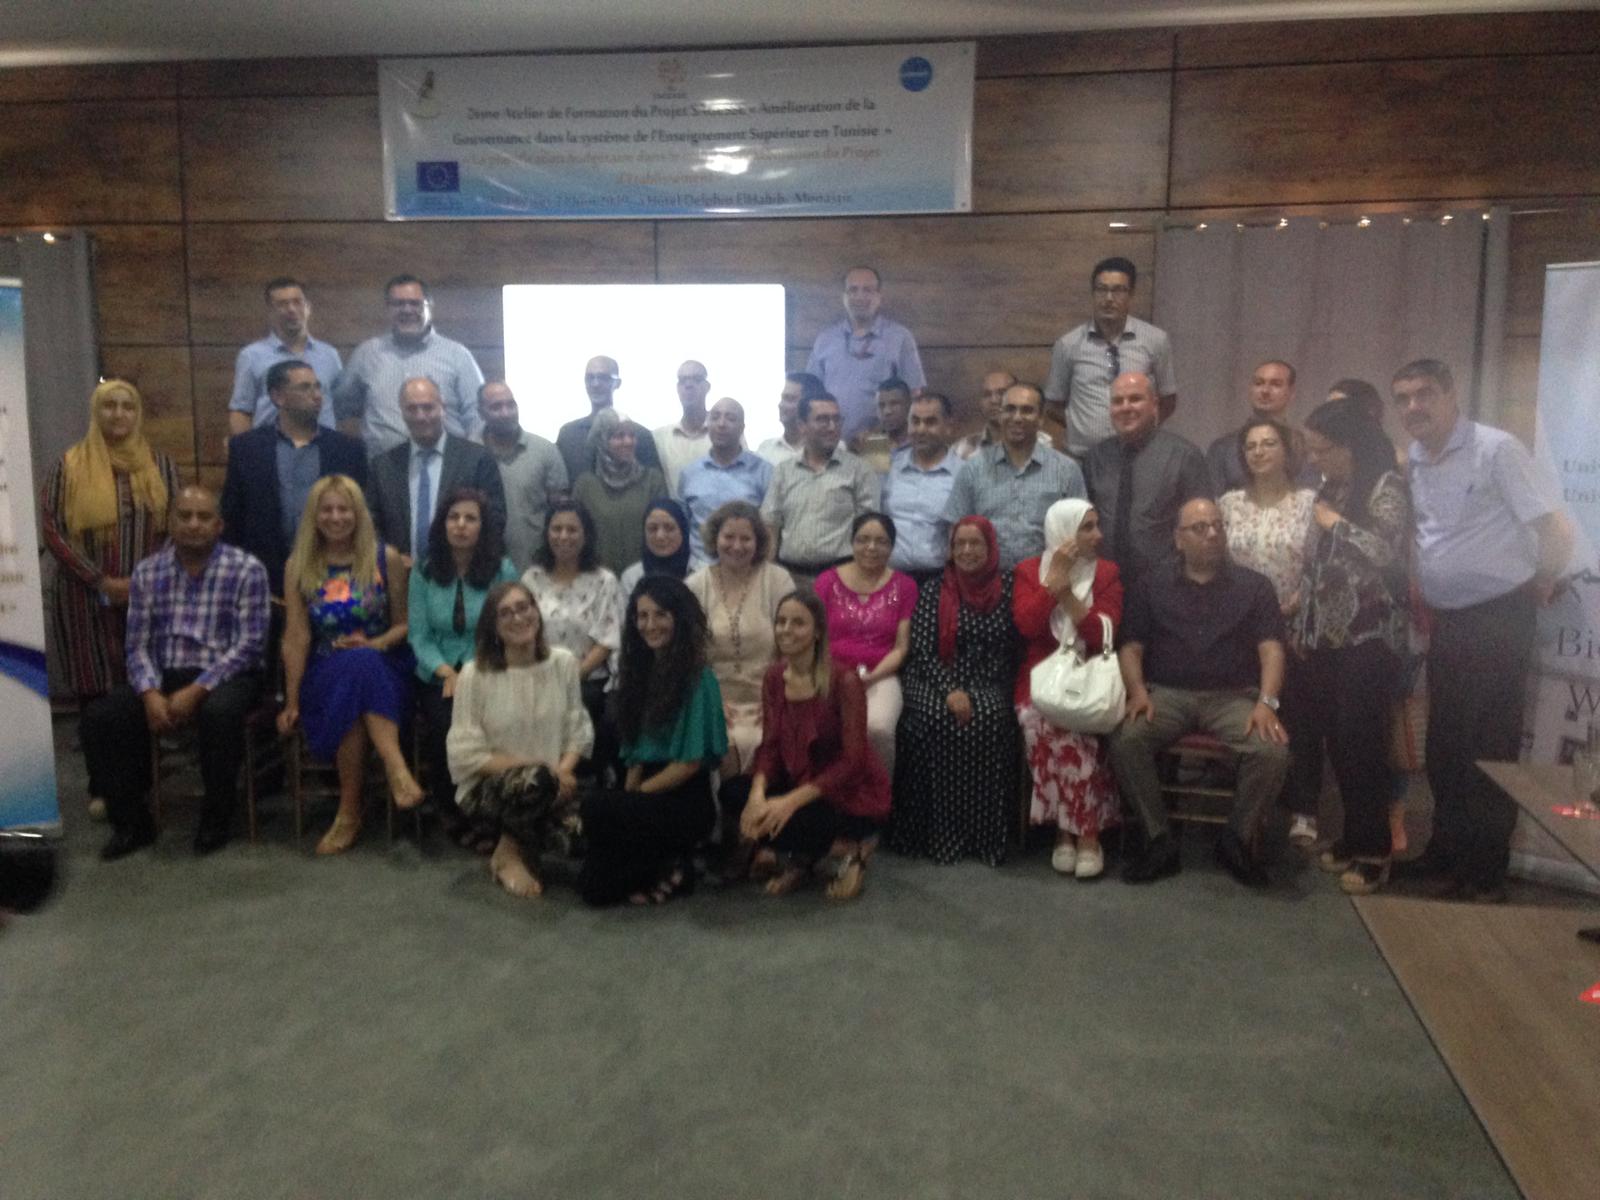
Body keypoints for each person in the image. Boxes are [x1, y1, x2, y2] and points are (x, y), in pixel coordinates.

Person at [1395, 358, 1572, 902]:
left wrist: (1542, 578)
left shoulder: (1497, 450)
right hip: (1448, 622)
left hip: (1498, 620)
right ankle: (1446, 852)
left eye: (1425, 393)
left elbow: (1554, 529)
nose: (1414, 407)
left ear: (1452, 395)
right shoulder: (1416, 458)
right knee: (1446, 745)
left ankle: (1485, 872)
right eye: (1403, 398)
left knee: (1487, 748)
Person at [1108, 497, 1291, 887]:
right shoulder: (1151, 584)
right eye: (1200, 528)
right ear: (1178, 539)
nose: (1212, 534)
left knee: (1272, 752)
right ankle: (1159, 839)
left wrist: (1267, 702)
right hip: (1167, 694)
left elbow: (1272, 650)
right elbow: (1131, 647)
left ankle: (1236, 839)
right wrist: (1137, 691)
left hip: (1233, 698)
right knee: (1127, 738)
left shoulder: (1255, 587)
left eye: (1218, 526)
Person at [81, 486, 269, 859]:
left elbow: (249, 645)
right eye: (185, 516)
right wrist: (150, 693)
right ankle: (132, 823)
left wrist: (198, 689)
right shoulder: (148, 572)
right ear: (171, 522)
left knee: (219, 714)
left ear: (219, 525)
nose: (193, 524)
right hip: (165, 673)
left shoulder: (247, 569)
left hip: (229, 674)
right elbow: (137, 645)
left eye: (203, 517)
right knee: (101, 717)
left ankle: (216, 818)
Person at [40, 379, 181, 818]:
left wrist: (140, 582)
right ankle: (101, 784)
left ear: (137, 414)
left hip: (145, 597)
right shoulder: (69, 465)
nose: (118, 414)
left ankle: (141, 782)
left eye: (127, 407)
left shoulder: (159, 465)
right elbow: (52, 529)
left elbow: (175, 528)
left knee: (139, 687)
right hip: (83, 598)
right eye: (109, 406)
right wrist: (101, 581)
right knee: (95, 692)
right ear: (96, 413)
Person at [1291, 398, 1411, 895]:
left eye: (1322, 450)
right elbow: (1316, 566)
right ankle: (1353, 836)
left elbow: (1387, 552)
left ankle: (1375, 851)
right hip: (1326, 637)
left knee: (1363, 742)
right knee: (1339, 742)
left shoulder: (1387, 486)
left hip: (1369, 637)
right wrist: (1303, 627)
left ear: (1350, 446)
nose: (1314, 459)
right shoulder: (1332, 486)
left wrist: (1334, 524)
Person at [277, 474, 422, 855]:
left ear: (358, 514)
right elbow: (296, 636)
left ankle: (349, 811)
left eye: (344, 509)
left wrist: (373, 644)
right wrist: (291, 700)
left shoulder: (385, 558)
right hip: (324, 668)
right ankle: (396, 769)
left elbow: (404, 624)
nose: (336, 517)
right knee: (354, 676)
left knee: (361, 665)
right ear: (314, 516)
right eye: (327, 510)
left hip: (385, 663)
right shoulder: (298, 565)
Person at [578, 577, 728, 906]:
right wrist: (629, 799)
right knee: (592, 885)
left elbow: (688, 765)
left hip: (684, 797)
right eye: (642, 616)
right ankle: (668, 866)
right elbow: (635, 755)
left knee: (597, 810)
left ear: (679, 618)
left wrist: (634, 799)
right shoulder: (640, 672)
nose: (650, 625)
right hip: (647, 789)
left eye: (661, 615)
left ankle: (671, 863)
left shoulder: (699, 677)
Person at [735, 592, 891, 900]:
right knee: (734, 794)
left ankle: (853, 850)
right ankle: (806, 856)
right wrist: (756, 795)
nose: (786, 630)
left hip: (846, 795)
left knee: (787, 817)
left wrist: (788, 802)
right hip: (800, 780)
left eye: (798, 623)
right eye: (781, 622)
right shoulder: (774, 677)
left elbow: (853, 762)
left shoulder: (844, 681)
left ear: (818, 631)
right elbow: (770, 745)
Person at [446, 581, 593, 898]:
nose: (518, 618)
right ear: (493, 626)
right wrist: (541, 770)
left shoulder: (564, 663)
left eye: (524, 608)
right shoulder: (474, 674)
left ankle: (526, 842)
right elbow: (465, 754)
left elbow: (577, 729)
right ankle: (508, 853)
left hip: (552, 781)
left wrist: (563, 771)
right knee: (535, 780)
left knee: (581, 839)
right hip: (493, 787)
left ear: (536, 613)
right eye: (505, 613)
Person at [891, 517, 1020, 866]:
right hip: (932, 677)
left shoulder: (1008, 587)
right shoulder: (936, 588)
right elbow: (922, 650)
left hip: (989, 680)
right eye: (959, 544)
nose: (966, 550)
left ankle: (981, 839)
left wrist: (973, 693)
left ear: (990, 547)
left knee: (987, 718)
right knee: (938, 718)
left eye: (975, 543)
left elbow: (1009, 649)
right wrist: (950, 690)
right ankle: (939, 837)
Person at [1217, 416, 1318, 843]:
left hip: (1293, 624)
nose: (1258, 452)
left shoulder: (1309, 503)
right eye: (1251, 446)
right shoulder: (1228, 504)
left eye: (1268, 443)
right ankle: (1247, 803)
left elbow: (1318, 566)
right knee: (1247, 715)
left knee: (1299, 717)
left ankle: (1303, 810)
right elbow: (1218, 565)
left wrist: (1292, 605)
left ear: (1286, 451)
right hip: (1238, 629)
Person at [1013, 500, 1124, 879]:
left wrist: (1066, 595)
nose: (1098, 535)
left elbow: (1102, 633)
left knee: (1080, 729)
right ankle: (1071, 831)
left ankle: (1082, 833)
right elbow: (1027, 625)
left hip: (1090, 674)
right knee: (1040, 724)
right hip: (1040, 677)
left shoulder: (1106, 573)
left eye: (1097, 525)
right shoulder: (1029, 570)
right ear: (1062, 532)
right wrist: (1054, 580)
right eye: (1087, 528)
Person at [407, 486, 518, 850]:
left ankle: (489, 809)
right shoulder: (424, 570)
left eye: (470, 518)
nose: (461, 525)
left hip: (488, 667)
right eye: (453, 517)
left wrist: (469, 674)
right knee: (445, 725)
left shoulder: (502, 569)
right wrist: (445, 672)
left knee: (490, 726)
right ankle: (451, 808)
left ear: (483, 526)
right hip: (437, 672)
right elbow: (419, 635)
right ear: (442, 524)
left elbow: (508, 629)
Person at [221, 359, 367, 597]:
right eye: (305, 387)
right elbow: (232, 516)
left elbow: (362, 516)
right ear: (278, 396)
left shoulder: (347, 450)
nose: (316, 395)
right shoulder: (247, 449)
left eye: (318, 387)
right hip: (264, 578)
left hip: (333, 577)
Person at [686, 502, 796, 782]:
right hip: (714, 701)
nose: (737, 546)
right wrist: (711, 704)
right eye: (729, 537)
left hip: (772, 699)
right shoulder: (696, 585)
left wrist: (775, 701)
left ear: (758, 542)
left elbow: (794, 647)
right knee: (723, 746)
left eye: (746, 538)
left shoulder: (777, 580)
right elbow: (688, 656)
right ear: (715, 538)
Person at [1083, 371, 1212, 595]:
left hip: (1168, 589)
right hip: (1105, 587)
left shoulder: (1184, 456)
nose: (1125, 407)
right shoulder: (1096, 458)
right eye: (1117, 401)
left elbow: (1202, 529)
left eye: (1135, 399)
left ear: (1154, 405)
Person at [520, 502, 624, 781]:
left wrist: (572, 675)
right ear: (547, 533)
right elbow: (521, 631)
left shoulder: (604, 580)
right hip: (537, 675)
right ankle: (536, 780)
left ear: (586, 534)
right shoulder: (532, 578)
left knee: (579, 708)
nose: (563, 536)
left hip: (588, 679)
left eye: (572, 529)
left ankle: (578, 781)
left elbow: (607, 639)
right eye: (556, 529)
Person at [332, 274, 485, 455]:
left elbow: (478, 414)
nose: (407, 310)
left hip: (447, 465)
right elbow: (341, 408)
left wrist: (470, 461)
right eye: (398, 304)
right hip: (383, 467)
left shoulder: (457, 355)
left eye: (415, 303)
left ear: (429, 307)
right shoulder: (366, 354)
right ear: (388, 308)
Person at [813, 513, 917, 777]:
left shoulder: (905, 586)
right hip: (829, 675)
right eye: (863, 539)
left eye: (881, 541)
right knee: (823, 726)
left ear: (892, 547)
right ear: (852, 542)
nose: (871, 547)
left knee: (877, 728)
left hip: (880, 676)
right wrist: (833, 675)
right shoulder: (826, 581)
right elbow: (814, 637)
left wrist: (872, 676)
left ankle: (877, 795)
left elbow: (901, 647)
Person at [1044, 256, 1178, 457]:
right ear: (1092, 293)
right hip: (1084, 457)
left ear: (1131, 295)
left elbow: (1167, 399)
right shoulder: (1068, 345)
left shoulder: (1155, 340)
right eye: (1101, 289)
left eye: (1118, 290)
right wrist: (1079, 427)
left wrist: (1144, 427)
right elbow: (1054, 404)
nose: (1108, 298)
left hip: (1139, 454)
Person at [365, 377, 506, 565]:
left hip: (463, 571)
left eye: (428, 407)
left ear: (442, 408)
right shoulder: (383, 466)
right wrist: (391, 558)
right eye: (412, 409)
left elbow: (494, 518)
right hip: (400, 572)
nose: (420, 416)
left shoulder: (476, 459)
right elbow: (371, 522)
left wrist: (463, 560)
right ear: (402, 412)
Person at [944, 383, 1086, 569]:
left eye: (1027, 410)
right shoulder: (973, 469)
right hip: (987, 579)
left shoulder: (1067, 470)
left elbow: (1079, 531)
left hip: (1046, 579)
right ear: (1000, 415)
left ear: (1041, 418)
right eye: (1010, 409)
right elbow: (955, 529)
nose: (1017, 417)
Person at [760, 393, 880, 585]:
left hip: (843, 577)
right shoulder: (784, 471)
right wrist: (766, 579)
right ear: (802, 425)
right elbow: (770, 526)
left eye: (836, 419)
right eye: (823, 420)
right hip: (790, 578)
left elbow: (869, 530)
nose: (832, 427)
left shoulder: (859, 470)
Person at [805, 266, 926, 441]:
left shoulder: (900, 338)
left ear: (879, 296)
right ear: (844, 297)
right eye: (853, 290)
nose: (860, 297)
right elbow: (811, 395)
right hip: (830, 443)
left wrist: (876, 433)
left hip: (881, 444)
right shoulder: (825, 339)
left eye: (867, 290)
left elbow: (914, 395)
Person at [227, 277, 342, 433]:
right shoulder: (252, 356)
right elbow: (241, 411)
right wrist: (245, 446)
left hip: (323, 445)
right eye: (282, 304)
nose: (291, 309)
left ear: (308, 307)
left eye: (297, 302)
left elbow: (341, 408)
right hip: (271, 444)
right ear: (270, 311)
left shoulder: (329, 355)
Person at [477, 381, 568, 573]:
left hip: (537, 567)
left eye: (511, 405)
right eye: (496, 407)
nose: (506, 412)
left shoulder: (545, 451)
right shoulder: (470, 453)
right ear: (481, 413)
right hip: (481, 567)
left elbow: (562, 512)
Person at [571, 408, 669, 575]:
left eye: (632, 435)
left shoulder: (652, 481)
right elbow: (577, 535)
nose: (628, 441)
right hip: (597, 578)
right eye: (619, 436)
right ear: (602, 440)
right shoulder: (585, 485)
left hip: (645, 576)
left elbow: (663, 532)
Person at [676, 397, 772, 567]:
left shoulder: (763, 471)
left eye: (730, 418)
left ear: (742, 427)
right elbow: (681, 526)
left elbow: (770, 527)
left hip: (748, 568)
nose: (721, 424)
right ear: (708, 424)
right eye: (715, 417)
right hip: (699, 568)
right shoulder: (690, 473)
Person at [882, 392, 962, 585]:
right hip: (890, 577)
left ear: (948, 425)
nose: (921, 429)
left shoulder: (963, 474)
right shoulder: (888, 468)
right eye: (915, 421)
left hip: (940, 580)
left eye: (930, 422)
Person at [555, 355, 662, 484]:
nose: (595, 384)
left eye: (603, 378)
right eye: (590, 378)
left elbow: (653, 486)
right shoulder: (568, 435)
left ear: (617, 383)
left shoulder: (639, 435)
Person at [1206, 360, 1306, 494]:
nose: (1265, 391)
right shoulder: (1223, 449)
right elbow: (1212, 499)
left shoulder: (1305, 447)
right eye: (1259, 383)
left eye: (1276, 384)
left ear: (1291, 392)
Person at [652, 359, 712, 495]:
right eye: (682, 380)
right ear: (677, 388)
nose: (688, 385)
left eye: (696, 379)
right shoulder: (659, 438)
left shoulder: (724, 434)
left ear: (707, 387)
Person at [618, 498, 693, 597]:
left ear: (683, 531)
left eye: (669, 528)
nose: (660, 536)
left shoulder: (702, 574)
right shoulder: (631, 578)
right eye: (652, 528)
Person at [757, 372, 823, 465]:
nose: (780, 405)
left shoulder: (831, 449)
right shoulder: (765, 450)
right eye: (782, 398)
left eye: (789, 399)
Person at [849, 377, 913, 474]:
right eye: (881, 405)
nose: (887, 411)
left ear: (909, 405)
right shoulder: (871, 444)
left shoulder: (920, 442)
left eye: (894, 404)